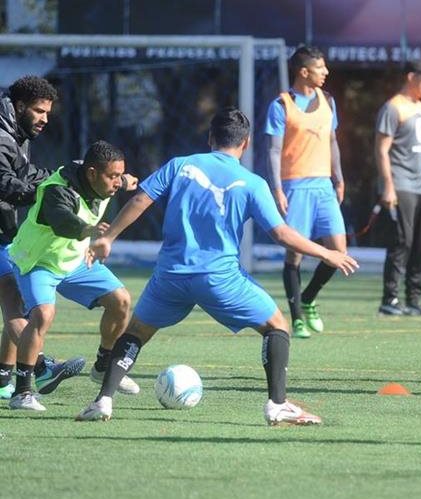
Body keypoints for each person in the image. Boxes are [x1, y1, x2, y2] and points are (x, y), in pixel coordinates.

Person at [76, 108, 358, 424]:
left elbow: (141, 199)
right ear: (246, 143)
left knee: (136, 332)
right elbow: (281, 234)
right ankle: (277, 404)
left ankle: (103, 400)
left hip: (170, 275)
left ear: (210, 138)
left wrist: (109, 236)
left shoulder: (180, 166)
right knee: (277, 325)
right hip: (219, 278)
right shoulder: (252, 183)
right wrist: (326, 253)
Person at [7, 140, 140, 411]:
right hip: (36, 262)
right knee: (42, 315)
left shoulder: (101, 177)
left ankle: (103, 365)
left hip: (73, 262)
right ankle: (22, 393)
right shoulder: (57, 190)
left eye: (119, 176)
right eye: (112, 177)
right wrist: (89, 231)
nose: (117, 183)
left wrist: (126, 180)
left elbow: (119, 177)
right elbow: (62, 220)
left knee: (121, 301)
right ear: (92, 173)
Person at [0, 75, 86, 400]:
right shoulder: (2, 136)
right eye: (38, 111)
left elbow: (25, 174)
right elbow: (6, 184)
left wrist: (61, 179)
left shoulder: (15, 132)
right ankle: (40, 366)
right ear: (20, 106)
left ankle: (3, 377)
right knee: (12, 298)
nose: (44, 119)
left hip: (5, 230)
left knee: (14, 300)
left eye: (47, 113)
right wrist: (47, 191)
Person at [264, 45, 347, 339]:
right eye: (320, 68)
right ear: (303, 72)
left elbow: (333, 141)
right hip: (295, 186)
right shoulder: (281, 104)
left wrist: (338, 177)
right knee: (295, 256)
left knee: (338, 251)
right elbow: (274, 151)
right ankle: (297, 316)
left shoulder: (328, 100)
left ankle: (308, 298)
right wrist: (277, 189)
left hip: (324, 186)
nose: (325, 72)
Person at [374, 59, 421, 316]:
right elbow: (381, 151)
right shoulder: (393, 108)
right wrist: (388, 187)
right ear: (411, 77)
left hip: (420, 187)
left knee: (420, 243)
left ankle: (414, 298)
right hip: (400, 183)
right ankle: (390, 299)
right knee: (401, 241)